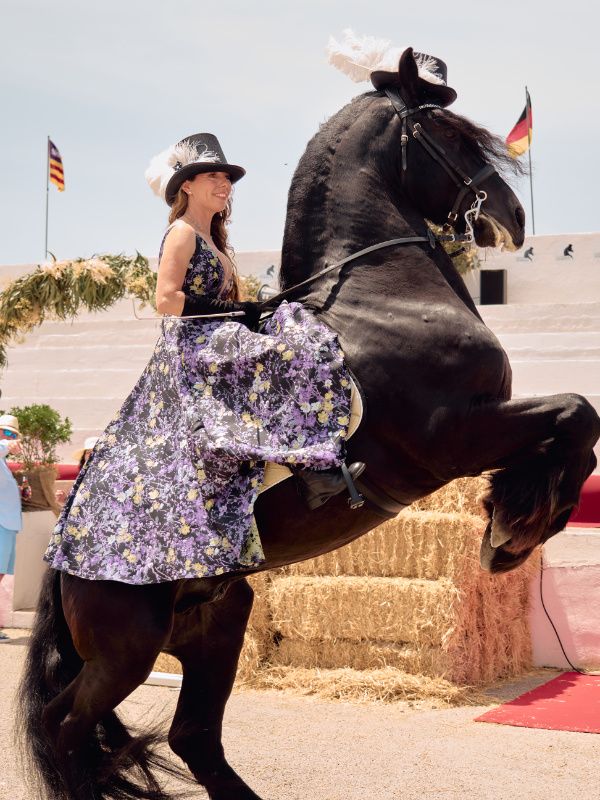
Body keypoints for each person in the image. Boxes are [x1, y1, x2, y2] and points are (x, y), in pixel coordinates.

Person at [44, 132, 363, 585]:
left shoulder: (215, 242)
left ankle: (310, 458)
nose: (224, 183)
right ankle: (313, 466)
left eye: (226, 177)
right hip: (194, 347)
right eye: (213, 176)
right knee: (283, 353)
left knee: (294, 329)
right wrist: (233, 312)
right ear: (187, 186)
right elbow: (166, 301)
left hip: (218, 336)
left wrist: (251, 310)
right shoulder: (181, 233)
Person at [0, 414, 23, 641]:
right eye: (5, 432)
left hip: (7, 524)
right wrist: (7, 444)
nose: (9, 437)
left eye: (12, 434)